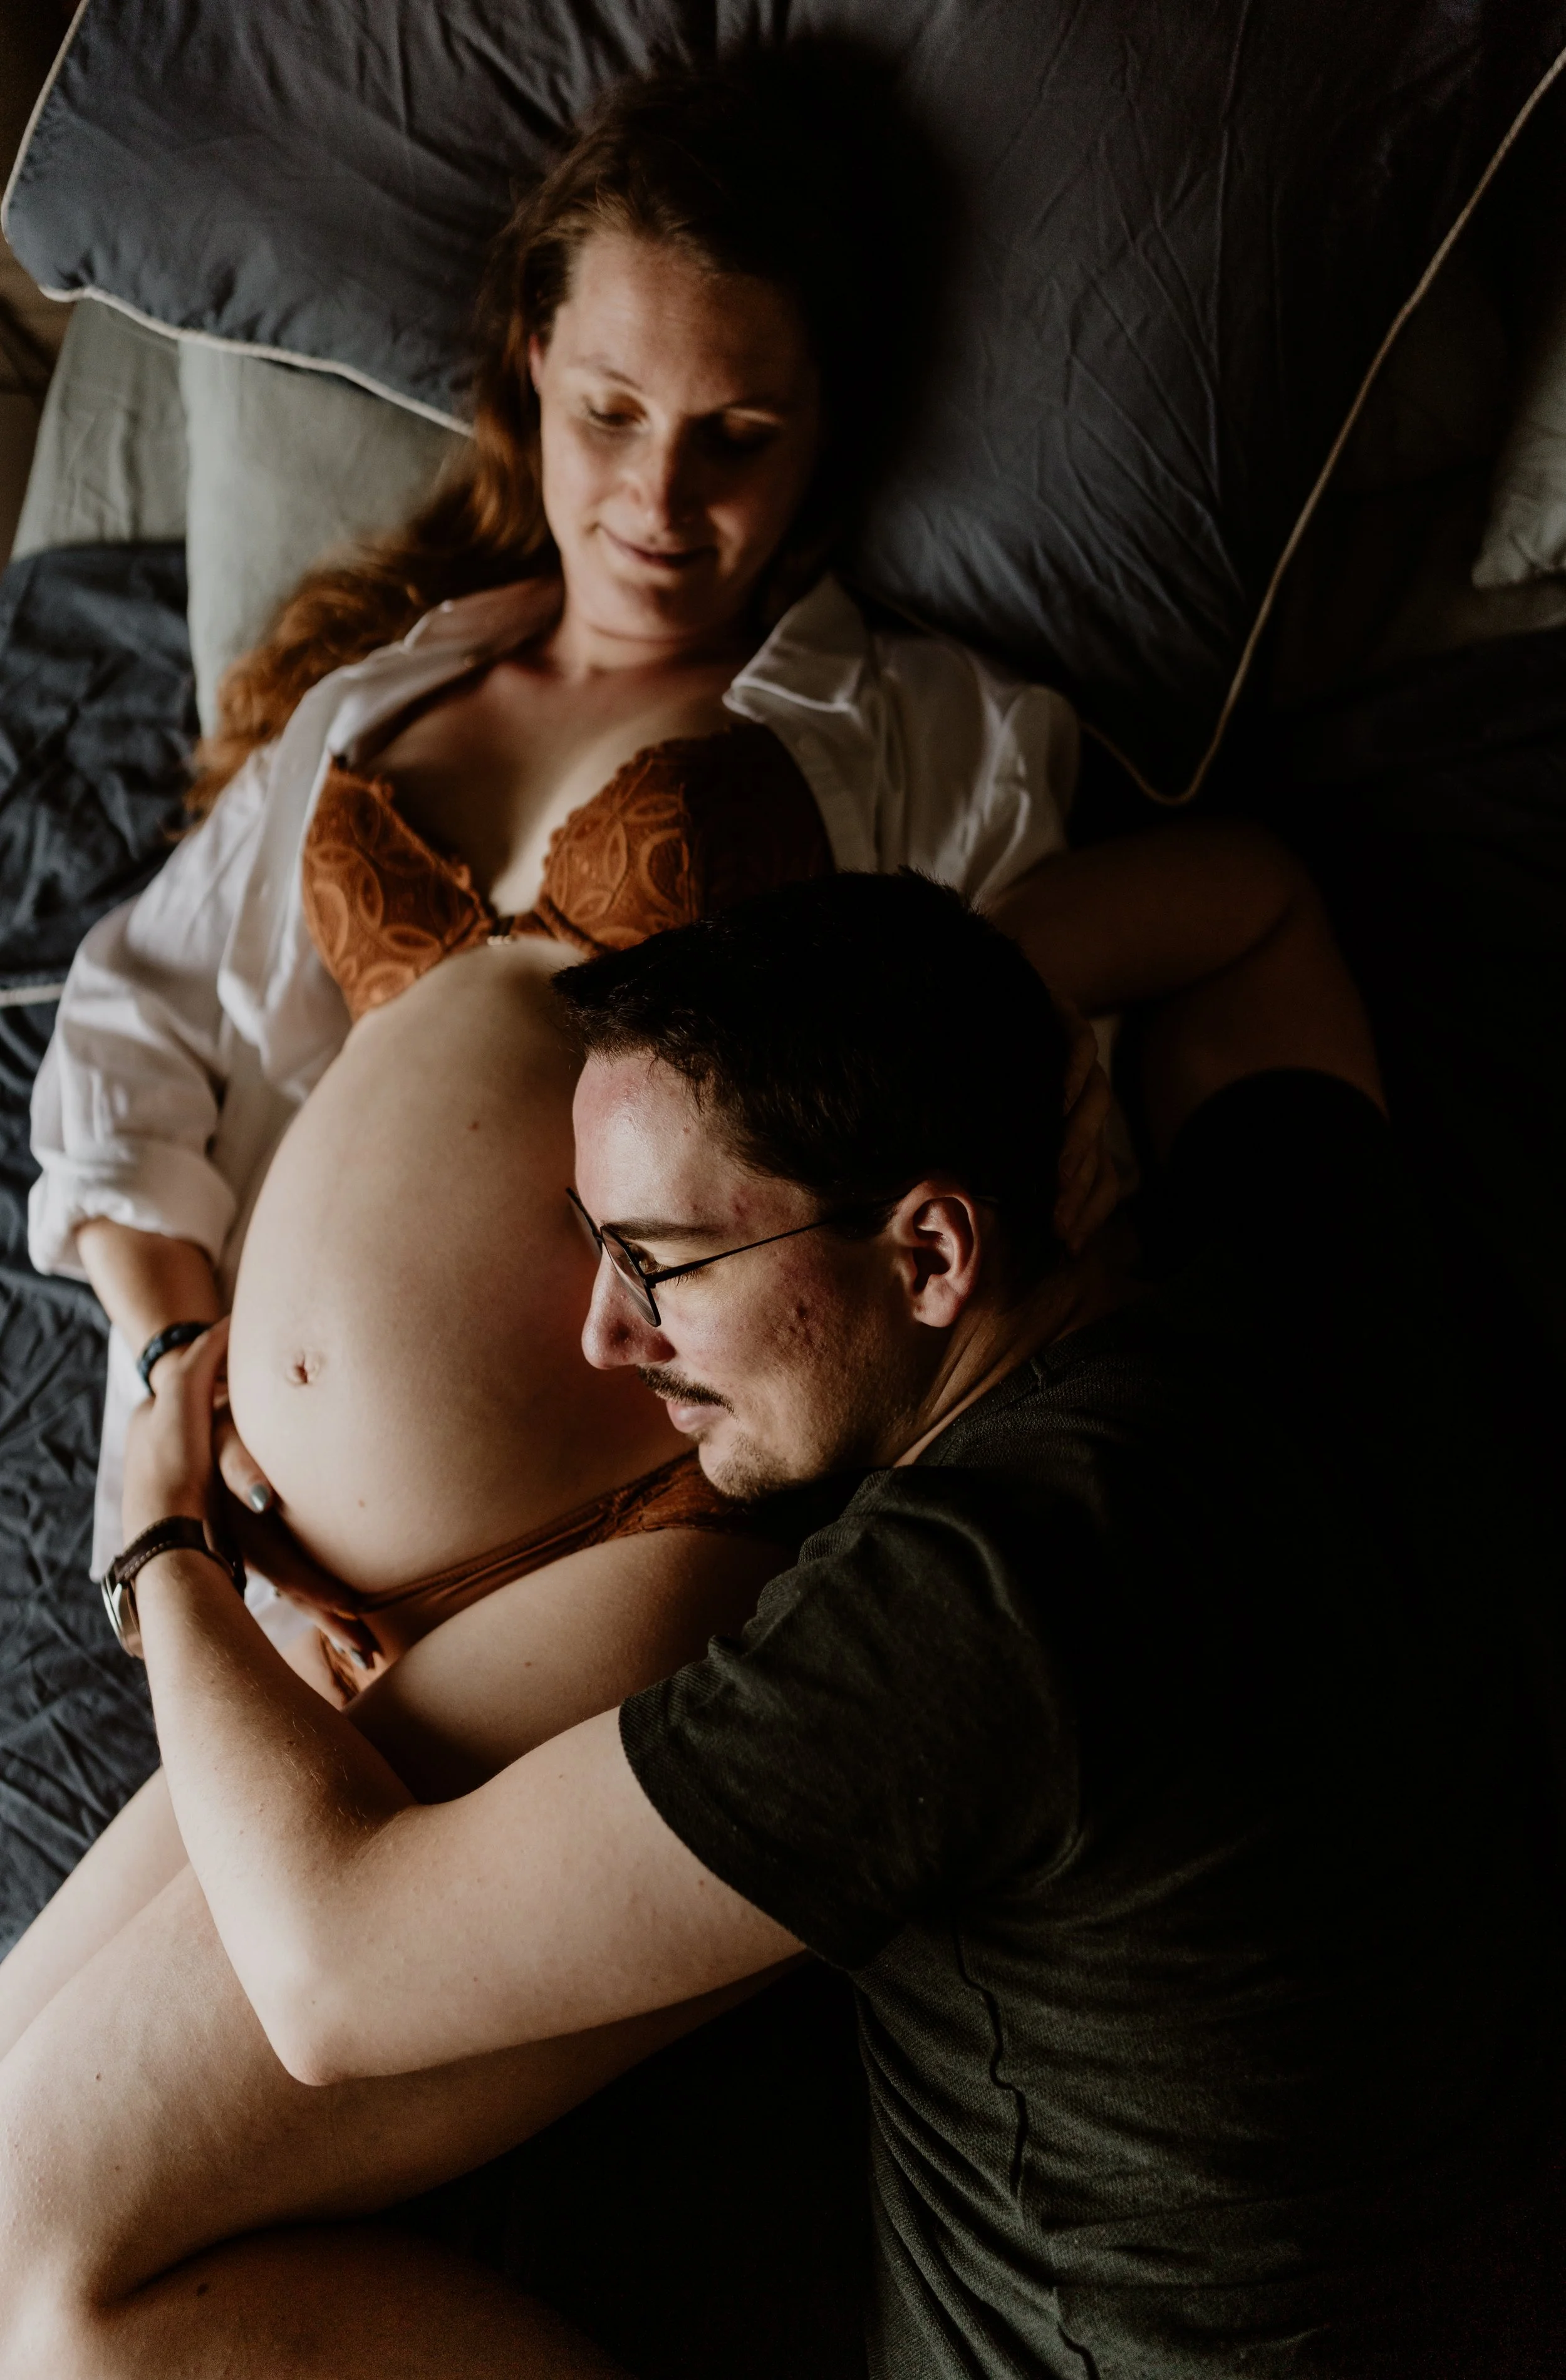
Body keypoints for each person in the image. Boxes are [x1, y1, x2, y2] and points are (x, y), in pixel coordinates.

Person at [4, 867, 1560, 2378]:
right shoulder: (1310, 1275)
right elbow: (1253, 905)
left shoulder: (979, 1599)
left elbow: (331, 1973)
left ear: (935, 1252)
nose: (611, 1333)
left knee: (71, 2324)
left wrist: (161, 1543)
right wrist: (914, 1036)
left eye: (660, 1263)